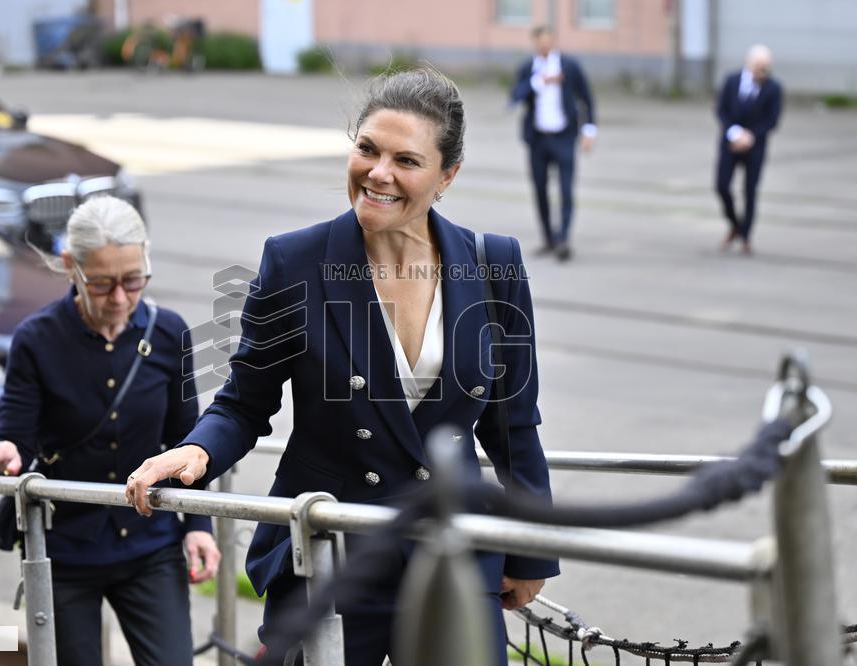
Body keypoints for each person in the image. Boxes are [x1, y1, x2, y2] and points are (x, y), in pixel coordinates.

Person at [125, 68, 559, 665]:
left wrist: (532, 552)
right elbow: (245, 402)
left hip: (450, 557)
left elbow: (514, 426)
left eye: (406, 160)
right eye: (367, 149)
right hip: (329, 552)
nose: (378, 173)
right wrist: (196, 452)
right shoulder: (294, 260)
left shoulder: (495, 265)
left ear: (447, 175)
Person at [0, 196, 220, 666]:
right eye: (102, 284)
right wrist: (2, 447)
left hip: (151, 546)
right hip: (64, 552)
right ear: (70, 267)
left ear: (146, 261)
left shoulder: (169, 332)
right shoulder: (36, 338)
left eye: (133, 280)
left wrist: (199, 527)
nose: (120, 299)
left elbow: (189, 441)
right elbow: (15, 434)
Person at [509, 25, 597, 262]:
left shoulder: (569, 65)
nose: (545, 46)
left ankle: (563, 239)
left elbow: (586, 97)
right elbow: (515, 98)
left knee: (566, 189)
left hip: (564, 137)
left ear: (555, 41)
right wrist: (539, 82)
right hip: (537, 139)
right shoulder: (529, 68)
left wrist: (589, 129)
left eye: (549, 41)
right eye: (541, 42)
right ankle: (548, 238)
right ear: (535, 43)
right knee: (540, 189)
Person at [715, 44, 783, 255]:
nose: (763, 71)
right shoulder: (732, 81)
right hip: (730, 143)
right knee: (722, 186)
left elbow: (772, 120)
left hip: (755, 146)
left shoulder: (774, 88)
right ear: (749, 63)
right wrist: (735, 133)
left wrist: (751, 137)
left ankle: (746, 236)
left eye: (767, 67)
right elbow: (721, 110)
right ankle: (735, 223)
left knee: (750, 191)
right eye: (759, 66)